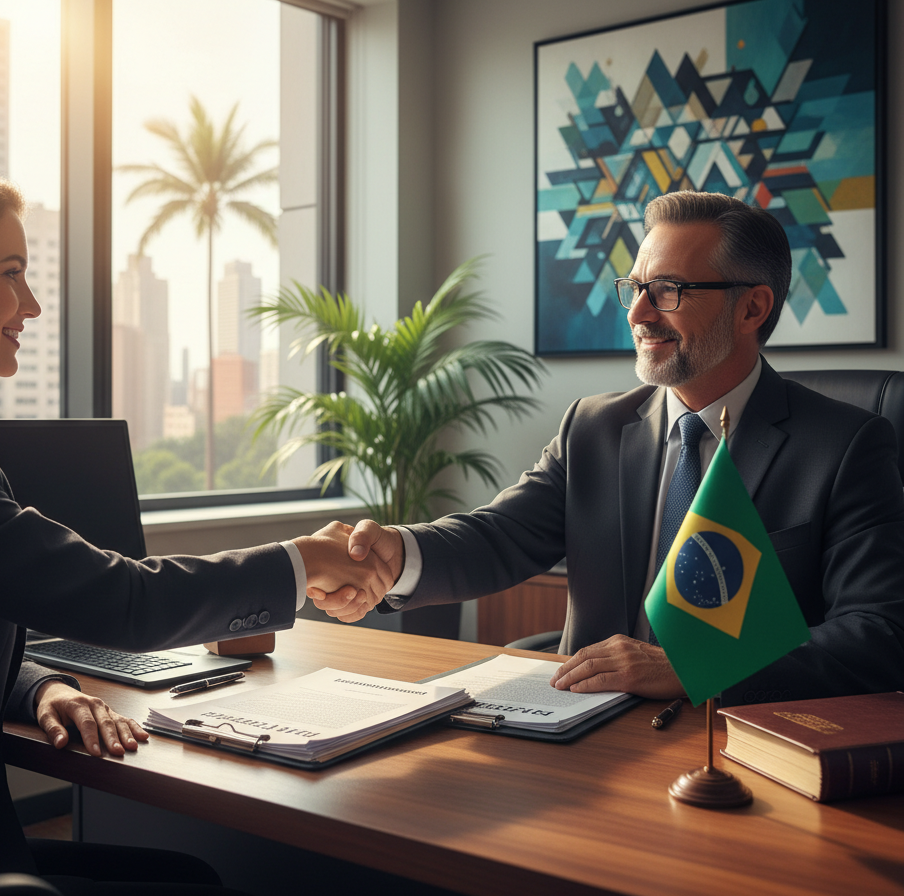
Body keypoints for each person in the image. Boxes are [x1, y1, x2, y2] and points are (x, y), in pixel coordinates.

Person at [0, 155, 393, 896]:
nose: (33, 304)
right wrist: (302, 560)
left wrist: (38, 687)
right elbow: (128, 601)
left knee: (190, 877)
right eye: (11, 272)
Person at [310, 191, 904, 705]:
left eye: (668, 290)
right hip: (579, 726)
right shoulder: (590, 427)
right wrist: (397, 553)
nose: (639, 313)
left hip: (735, 744)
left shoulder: (848, 445)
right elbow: (498, 537)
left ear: (752, 306)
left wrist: (697, 666)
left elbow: (879, 632)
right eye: (636, 287)